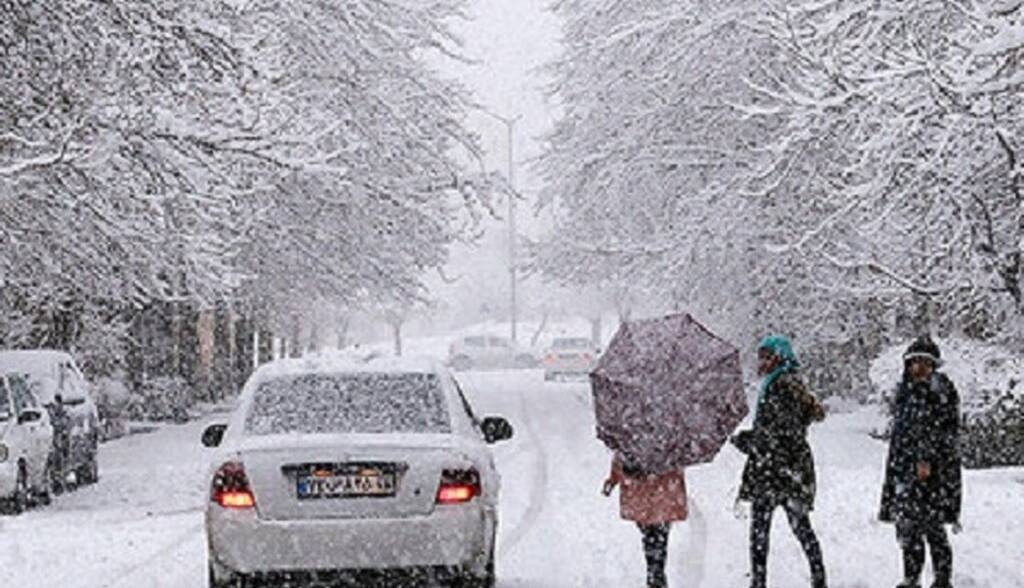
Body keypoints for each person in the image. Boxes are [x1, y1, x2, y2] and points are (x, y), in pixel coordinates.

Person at [732, 335, 827, 588]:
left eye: (767, 355)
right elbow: (778, 430)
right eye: (761, 356)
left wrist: (751, 442)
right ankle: (817, 578)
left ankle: (761, 582)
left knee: (765, 529)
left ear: (780, 356)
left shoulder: (782, 386)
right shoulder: (781, 383)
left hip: (778, 469)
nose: (762, 361)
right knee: (797, 526)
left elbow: (782, 433)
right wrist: (751, 439)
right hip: (783, 468)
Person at [879, 336, 962, 588]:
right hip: (905, 469)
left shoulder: (941, 391)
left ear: (934, 365)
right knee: (908, 528)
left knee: (932, 527)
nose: (919, 368)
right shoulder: (906, 390)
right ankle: (911, 578)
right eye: (914, 362)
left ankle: (942, 580)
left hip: (933, 473)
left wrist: (925, 458)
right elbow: (905, 431)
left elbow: (940, 430)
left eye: (925, 363)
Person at [602, 451, 687, 588]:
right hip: (663, 495)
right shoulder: (671, 441)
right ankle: (656, 573)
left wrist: (613, 479)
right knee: (659, 537)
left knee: (651, 536)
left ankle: (654, 573)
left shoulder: (631, 439)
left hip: (642, 496)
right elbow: (681, 459)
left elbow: (620, 460)